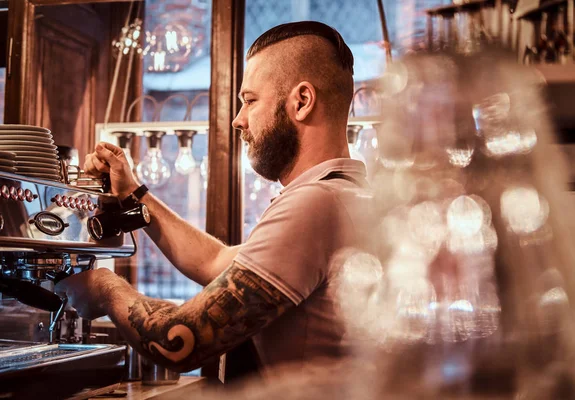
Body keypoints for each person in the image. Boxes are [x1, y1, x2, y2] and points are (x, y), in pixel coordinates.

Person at [55, 21, 372, 375]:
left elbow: (180, 342)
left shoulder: (315, 204)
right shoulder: (348, 197)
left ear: (301, 101)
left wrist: (103, 288)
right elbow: (214, 260)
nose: (238, 120)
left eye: (250, 101)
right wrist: (133, 192)